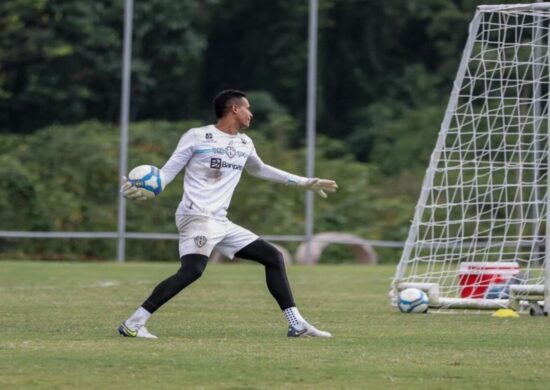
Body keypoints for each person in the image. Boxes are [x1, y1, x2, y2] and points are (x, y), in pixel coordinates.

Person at [118, 89, 338, 339]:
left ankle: (297, 324)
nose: (251, 114)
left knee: (273, 257)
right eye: (248, 108)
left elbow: (261, 169)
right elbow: (166, 174)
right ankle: (134, 323)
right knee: (192, 271)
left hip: (220, 221)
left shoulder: (245, 143)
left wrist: (304, 182)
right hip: (197, 217)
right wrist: (139, 189)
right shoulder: (197, 136)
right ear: (234, 109)